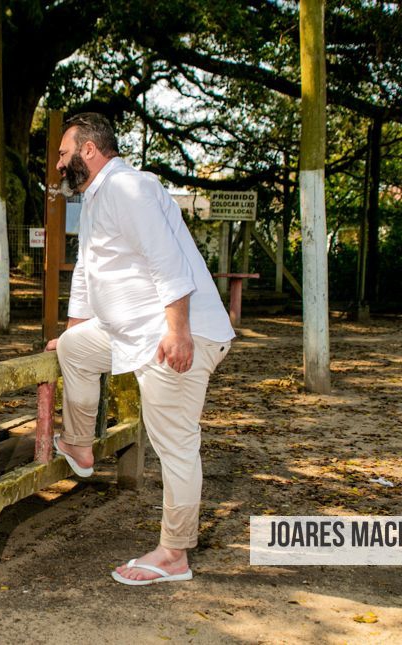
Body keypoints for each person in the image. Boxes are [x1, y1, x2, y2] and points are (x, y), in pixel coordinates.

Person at [45, 113, 235, 584]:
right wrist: (70, 333)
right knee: (75, 349)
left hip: (171, 332)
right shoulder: (95, 197)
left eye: (64, 153)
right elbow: (88, 276)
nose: (58, 164)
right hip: (131, 331)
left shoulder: (128, 186)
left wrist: (178, 330)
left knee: (175, 446)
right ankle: (80, 446)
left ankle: (174, 553)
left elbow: (165, 257)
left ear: (89, 151)